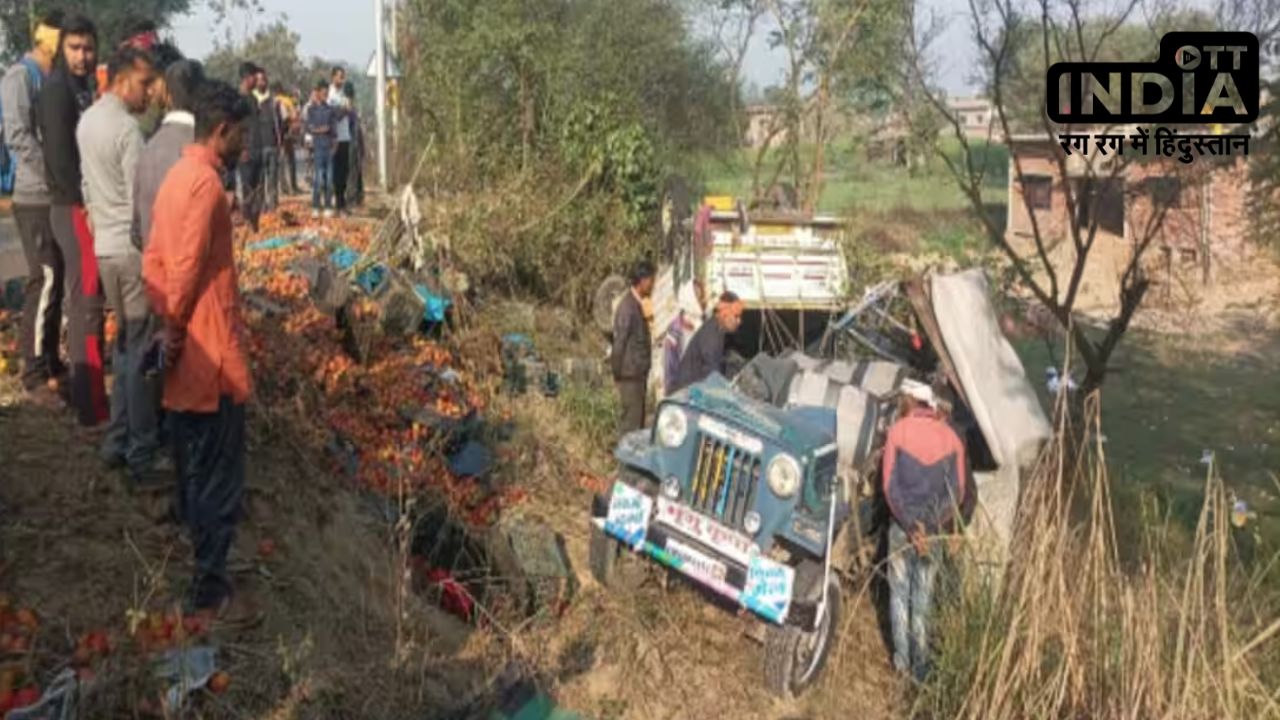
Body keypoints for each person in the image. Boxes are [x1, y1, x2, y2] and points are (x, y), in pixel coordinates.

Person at [142, 80, 254, 619]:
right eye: (242, 137)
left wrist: (167, 333)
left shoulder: (176, 178)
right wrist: (177, 330)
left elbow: (158, 263)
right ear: (221, 130)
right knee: (218, 478)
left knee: (192, 468)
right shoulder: (205, 188)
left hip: (187, 357)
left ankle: (202, 570)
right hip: (210, 357)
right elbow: (184, 273)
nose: (246, 148)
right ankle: (210, 590)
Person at [78, 47, 161, 479]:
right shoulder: (128, 130)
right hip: (130, 251)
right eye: (145, 84)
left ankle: (117, 438)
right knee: (140, 351)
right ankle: (141, 448)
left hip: (104, 248)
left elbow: (87, 188)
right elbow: (139, 202)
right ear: (125, 80)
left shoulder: (88, 121)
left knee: (125, 346)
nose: (149, 93)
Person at [880, 382, 974, 681]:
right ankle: (920, 668)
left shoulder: (898, 431)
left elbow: (889, 487)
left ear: (909, 401)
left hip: (901, 528)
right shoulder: (952, 440)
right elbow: (957, 492)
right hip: (932, 533)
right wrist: (931, 526)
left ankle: (901, 662)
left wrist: (910, 525)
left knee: (899, 594)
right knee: (922, 596)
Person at [40, 14, 103, 428]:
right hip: (71, 205)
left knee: (86, 299)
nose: (82, 56)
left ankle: (89, 395)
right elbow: (62, 162)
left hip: (82, 203)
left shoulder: (84, 89)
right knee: (86, 302)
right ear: (61, 50)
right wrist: (86, 207)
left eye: (87, 48)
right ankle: (89, 403)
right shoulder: (57, 92)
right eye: (74, 48)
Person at [3, 12, 63, 400]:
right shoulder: (20, 78)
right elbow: (17, 135)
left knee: (57, 276)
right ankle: (34, 373)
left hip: (54, 195)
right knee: (42, 279)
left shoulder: (53, 80)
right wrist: (51, 171)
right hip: (33, 195)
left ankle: (52, 360)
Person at [134, 60, 204, 248]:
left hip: (155, 266)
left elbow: (136, 224)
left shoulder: (148, 148)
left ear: (168, 96)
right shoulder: (202, 146)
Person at [610, 261, 655, 434]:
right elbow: (619, 344)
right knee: (631, 429)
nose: (652, 284)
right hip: (630, 378)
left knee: (636, 427)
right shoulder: (627, 308)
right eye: (651, 280)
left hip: (636, 377)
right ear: (642, 281)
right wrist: (618, 375)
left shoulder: (636, 305)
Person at [670, 291, 744, 393]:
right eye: (736, 316)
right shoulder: (711, 335)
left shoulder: (717, 330)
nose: (739, 321)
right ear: (724, 313)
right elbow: (711, 374)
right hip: (687, 396)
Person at [304, 80, 336, 218]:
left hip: (328, 148)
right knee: (318, 179)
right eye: (323, 92)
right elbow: (309, 129)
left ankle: (328, 205)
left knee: (329, 180)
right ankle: (316, 206)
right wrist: (321, 130)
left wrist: (334, 145)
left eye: (326, 93)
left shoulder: (330, 110)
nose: (325, 95)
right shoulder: (311, 110)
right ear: (317, 93)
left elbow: (332, 130)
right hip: (317, 149)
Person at [327, 68, 352, 215]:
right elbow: (334, 115)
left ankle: (342, 203)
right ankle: (335, 203)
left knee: (344, 172)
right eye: (339, 77)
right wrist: (344, 109)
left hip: (345, 137)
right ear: (333, 78)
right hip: (334, 138)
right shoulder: (330, 95)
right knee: (335, 173)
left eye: (343, 77)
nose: (342, 80)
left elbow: (349, 111)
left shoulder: (344, 93)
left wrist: (347, 108)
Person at [273, 82, 299, 195]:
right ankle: (292, 186)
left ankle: (284, 187)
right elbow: (291, 117)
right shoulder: (287, 100)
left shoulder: (275, 101)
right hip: (287, 133)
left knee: (281, 162)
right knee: (290, 161)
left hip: (279, 135)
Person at [343, 82, 364, 208]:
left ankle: (355, 198)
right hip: (350, 143)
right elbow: (355, 129)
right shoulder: (349, 108)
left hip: (350, 143)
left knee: (352, 172)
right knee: (352, 172)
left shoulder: (350, 107)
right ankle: (352, 199)